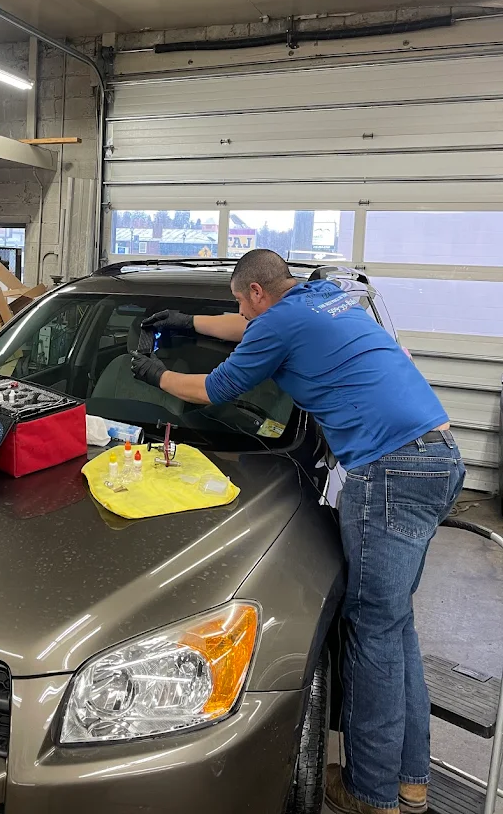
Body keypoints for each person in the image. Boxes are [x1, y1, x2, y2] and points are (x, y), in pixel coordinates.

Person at [132, 249, 465, 814]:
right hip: (437, 456)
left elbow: (215, 390)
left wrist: (155, 374)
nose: (240, 310)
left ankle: (371, 794)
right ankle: (410, 781)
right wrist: (189, 323)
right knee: (395, 625)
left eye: (241, 298)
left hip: (386, 472)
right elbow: (246, 324)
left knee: (373, 635)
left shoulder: (280, 323)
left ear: (258, 293)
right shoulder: (319, 297)